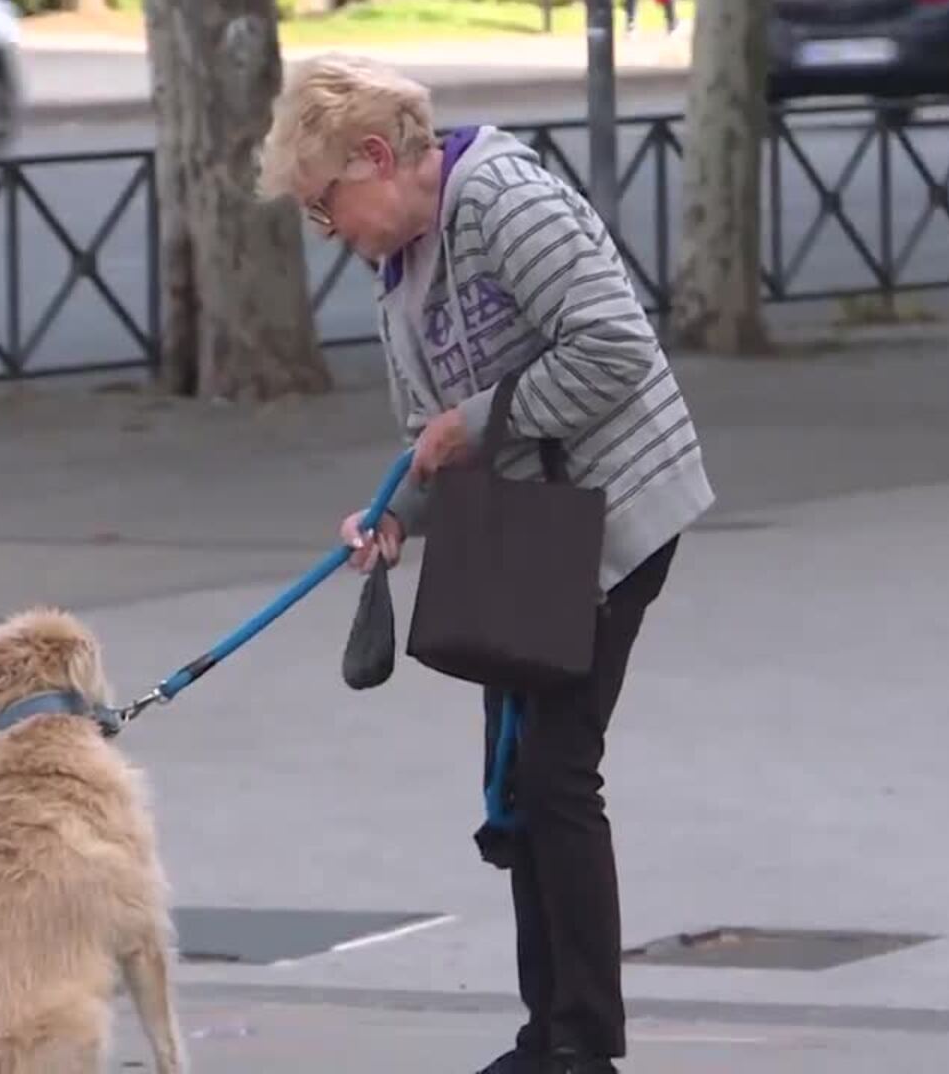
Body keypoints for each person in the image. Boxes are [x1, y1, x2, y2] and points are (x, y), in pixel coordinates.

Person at [257, 55, 714, 1074]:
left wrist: (479, 423)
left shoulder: (504, 197)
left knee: (554, 772)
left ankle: (580, 1044)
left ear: (377, 157)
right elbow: (434, 436)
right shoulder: (400, 269)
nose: (329, 234)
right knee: (514, 774)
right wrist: (395, 521)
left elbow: (615, 348)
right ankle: (543, 1029)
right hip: (520, 523)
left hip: (610, 514)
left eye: (327, 205)